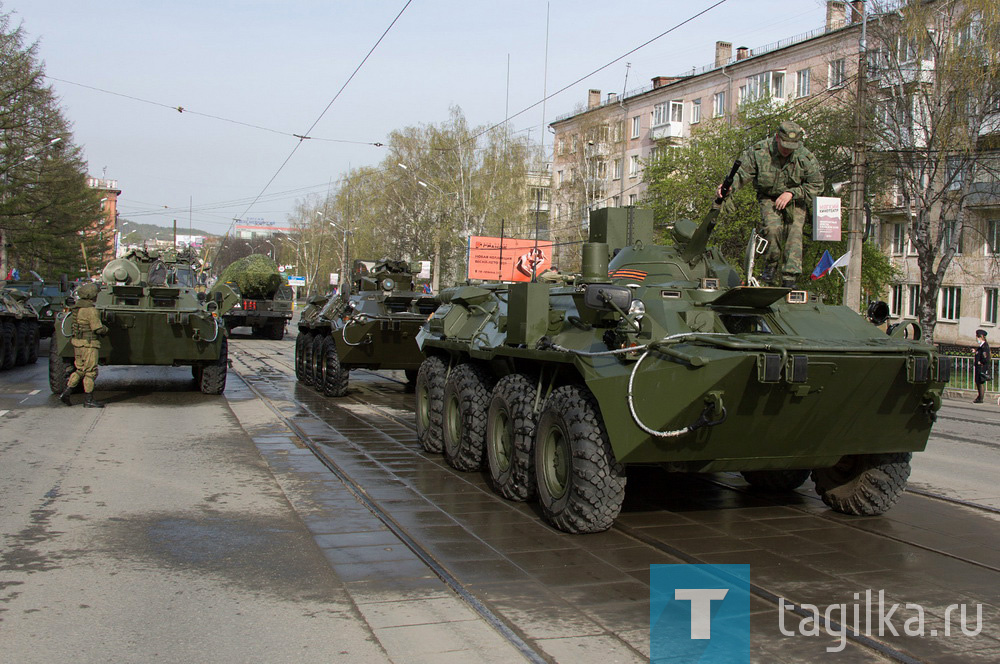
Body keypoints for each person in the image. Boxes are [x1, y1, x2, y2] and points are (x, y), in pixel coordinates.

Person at [719, 120, 824, 287]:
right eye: (785, 146)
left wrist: (792, 193)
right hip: (769, 197)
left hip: (795, 198)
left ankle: (790, 277)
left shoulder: (805, 158)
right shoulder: (760, 152)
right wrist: (728, 187)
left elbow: (817, 185)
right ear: (777, 138)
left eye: (792, 147)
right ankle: (770, 268)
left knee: (794, 232)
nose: (787, 150)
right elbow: (742, 173)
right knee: (772, 230)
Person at [59, 282, 108, 408]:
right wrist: (105, 329)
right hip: (89, 344)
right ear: (92, 296)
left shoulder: (77, 308)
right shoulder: (91, 310)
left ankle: (66, 392)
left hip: (78, 343)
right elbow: (97, 328)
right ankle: (88, 400)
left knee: (80, 370)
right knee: (90, 372)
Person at [973, 329, 991, 404]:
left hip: (981, 367)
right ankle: (979, 397)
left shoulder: (984, 347)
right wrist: (975, 351)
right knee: (978, 382)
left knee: (980, 382)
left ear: (981, 337)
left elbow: (986, 358)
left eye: (977, 337)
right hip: (978, 367)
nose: (976, 338)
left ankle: (980, 398)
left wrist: (981, 362)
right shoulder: (981, 347)